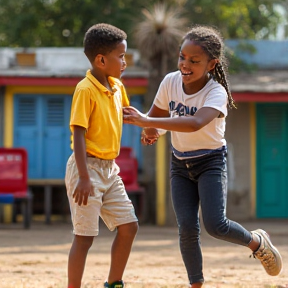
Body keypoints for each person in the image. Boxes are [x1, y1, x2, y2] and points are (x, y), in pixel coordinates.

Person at [123, 25, 282, 287]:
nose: (185, 64)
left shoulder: (216, 92)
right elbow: (156, 119)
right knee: (186, 228)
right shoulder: (170, 81)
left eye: (194, 61)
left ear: (211, 64)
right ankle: (196, 284)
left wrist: (146, 121)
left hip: (210, 161)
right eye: (181, 57)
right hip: (180, 164)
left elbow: (196, 122)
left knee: (216, 225)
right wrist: (151, 131)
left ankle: (258, 242)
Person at [65, 23, 138, 288]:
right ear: (101, 59)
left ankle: (113, 282)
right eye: (121, 56)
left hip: (110, 170)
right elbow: (79, 134)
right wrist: (84, 177)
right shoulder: (85, 89)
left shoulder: (117, 86)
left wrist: (149, 127)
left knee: (129, 226)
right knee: (84, 237)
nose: (124, 62)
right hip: (87, 169)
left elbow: (128, 114)